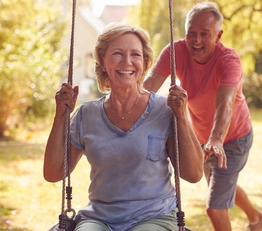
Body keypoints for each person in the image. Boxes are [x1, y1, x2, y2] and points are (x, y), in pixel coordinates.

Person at [43, 22, 204, 231]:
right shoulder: (87, 114)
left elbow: (193, 174)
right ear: (102, 60)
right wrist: (61, 115)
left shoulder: (165, 109)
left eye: (135, 55)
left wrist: (181, 117)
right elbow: (53, 173)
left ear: (145, 62)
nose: (127, 62)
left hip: (154, 216)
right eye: (118, 53)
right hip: (99, 218)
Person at [143, 2, 262, 231]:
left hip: (233, 139)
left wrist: (216, 139)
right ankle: (257, 218)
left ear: (219, 35)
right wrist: (123, 106)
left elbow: (225, 103)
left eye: (205, 34)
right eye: (192, 33)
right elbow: (149, 85)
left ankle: (255, 218)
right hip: (202, 139)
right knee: (220, 185)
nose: (197, 40)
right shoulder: (176, 51)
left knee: (215, 207)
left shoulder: (228, 60)